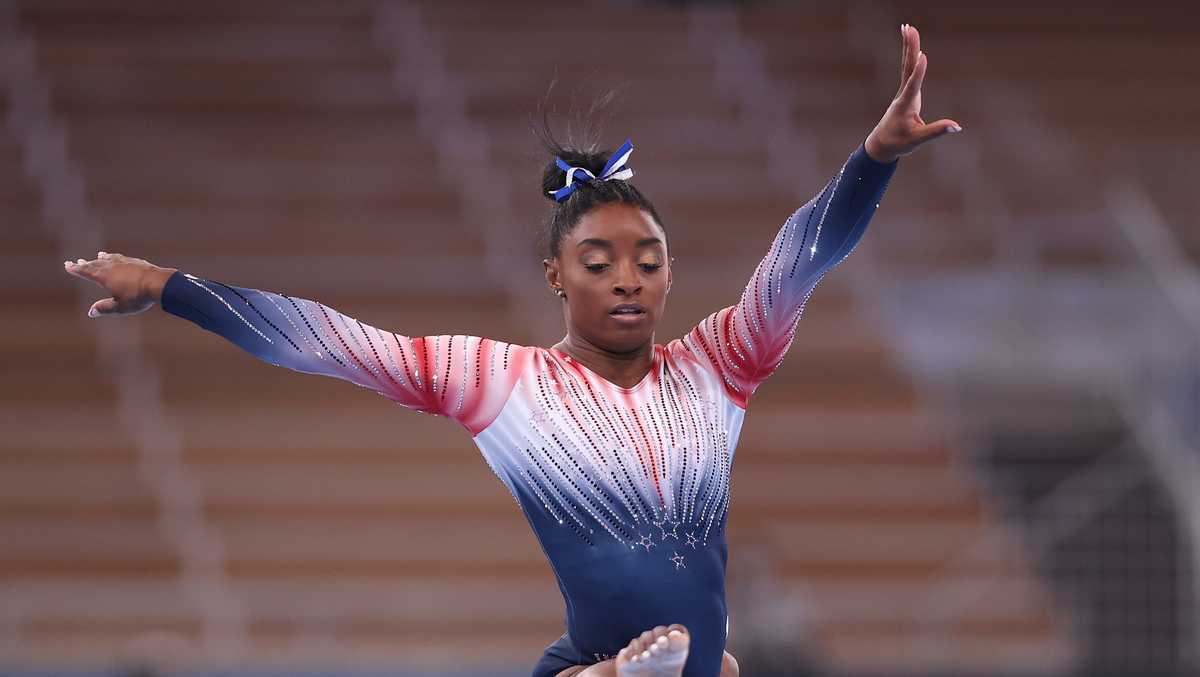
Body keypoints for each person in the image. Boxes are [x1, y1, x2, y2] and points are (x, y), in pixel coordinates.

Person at [63, 23, 958, 677]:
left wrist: (873, 157)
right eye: (598, 262)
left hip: (695, 669)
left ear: (670, 273)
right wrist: (172, 286)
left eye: (648, 262)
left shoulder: (718, 361)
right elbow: (329, 343)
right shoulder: (501, 382)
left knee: (714, 668)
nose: (626, 280)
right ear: (555, 276)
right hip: (589, 666)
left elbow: (799, 259)